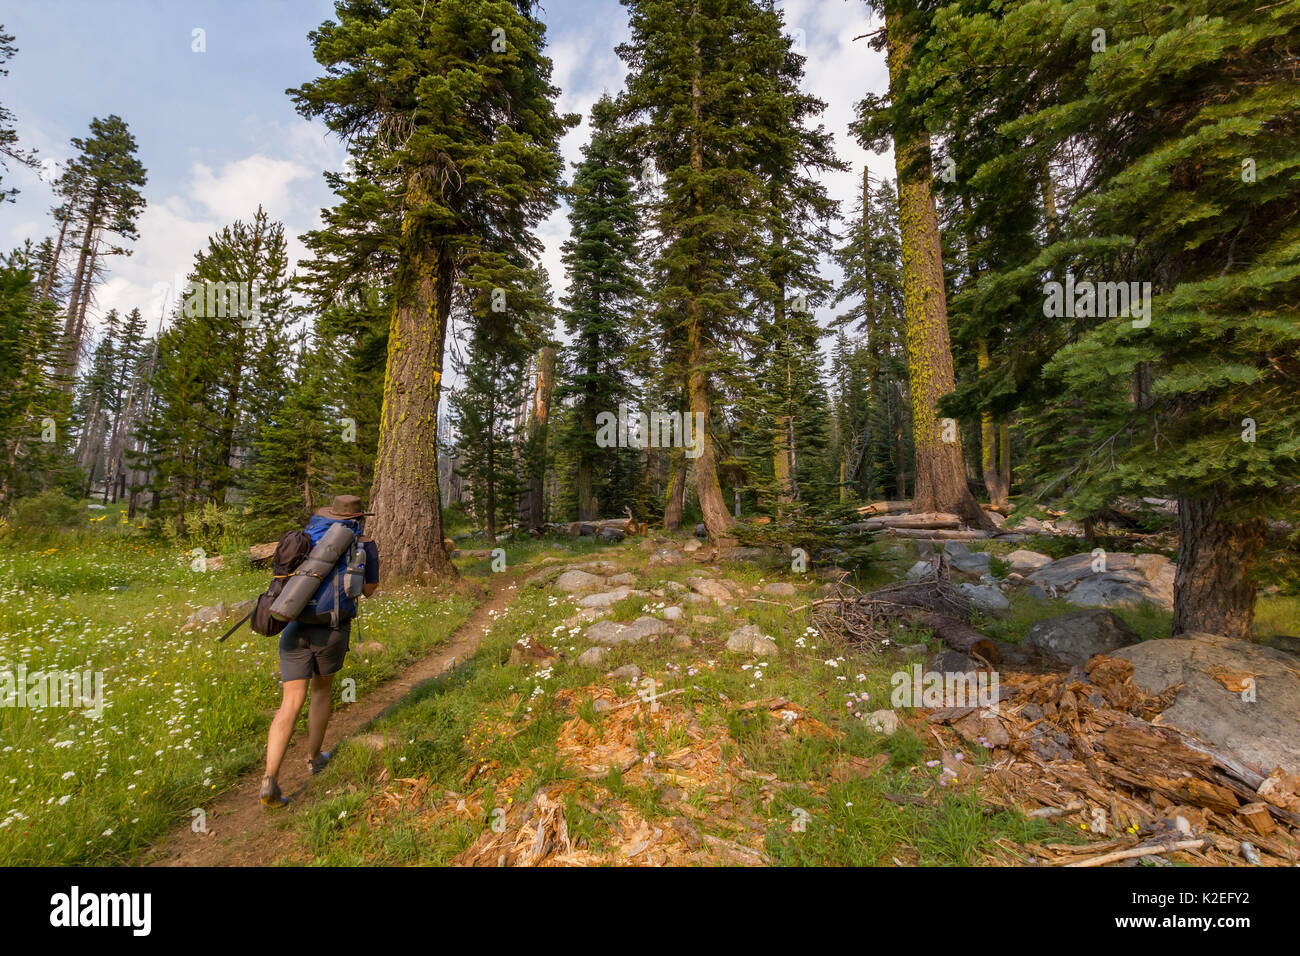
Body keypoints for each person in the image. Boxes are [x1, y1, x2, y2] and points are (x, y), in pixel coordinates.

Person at [260, 494, 380, 808]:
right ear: (357, 518)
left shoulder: (307, 537)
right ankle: (314, 757)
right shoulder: (363, 544)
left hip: (293, 625)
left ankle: (269, 777)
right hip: (331, 629)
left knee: (289, 703)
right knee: (321, 693)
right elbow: (367, 591)